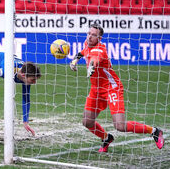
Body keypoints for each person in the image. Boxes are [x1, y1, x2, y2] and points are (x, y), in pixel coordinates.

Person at [69, 23, 164, 152]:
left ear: (99, 38)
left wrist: (92, 65)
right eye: (89, 33)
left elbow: (95, 58)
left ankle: (154, 131)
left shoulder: (100, 49)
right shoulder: (87, 44)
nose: (89, 37)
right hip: (96, 90)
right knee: (87, 122)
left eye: (93, 35)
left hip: (111, 88)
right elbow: (82, 52)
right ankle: (106, 138)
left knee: (120, 125)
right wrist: (75, 60)